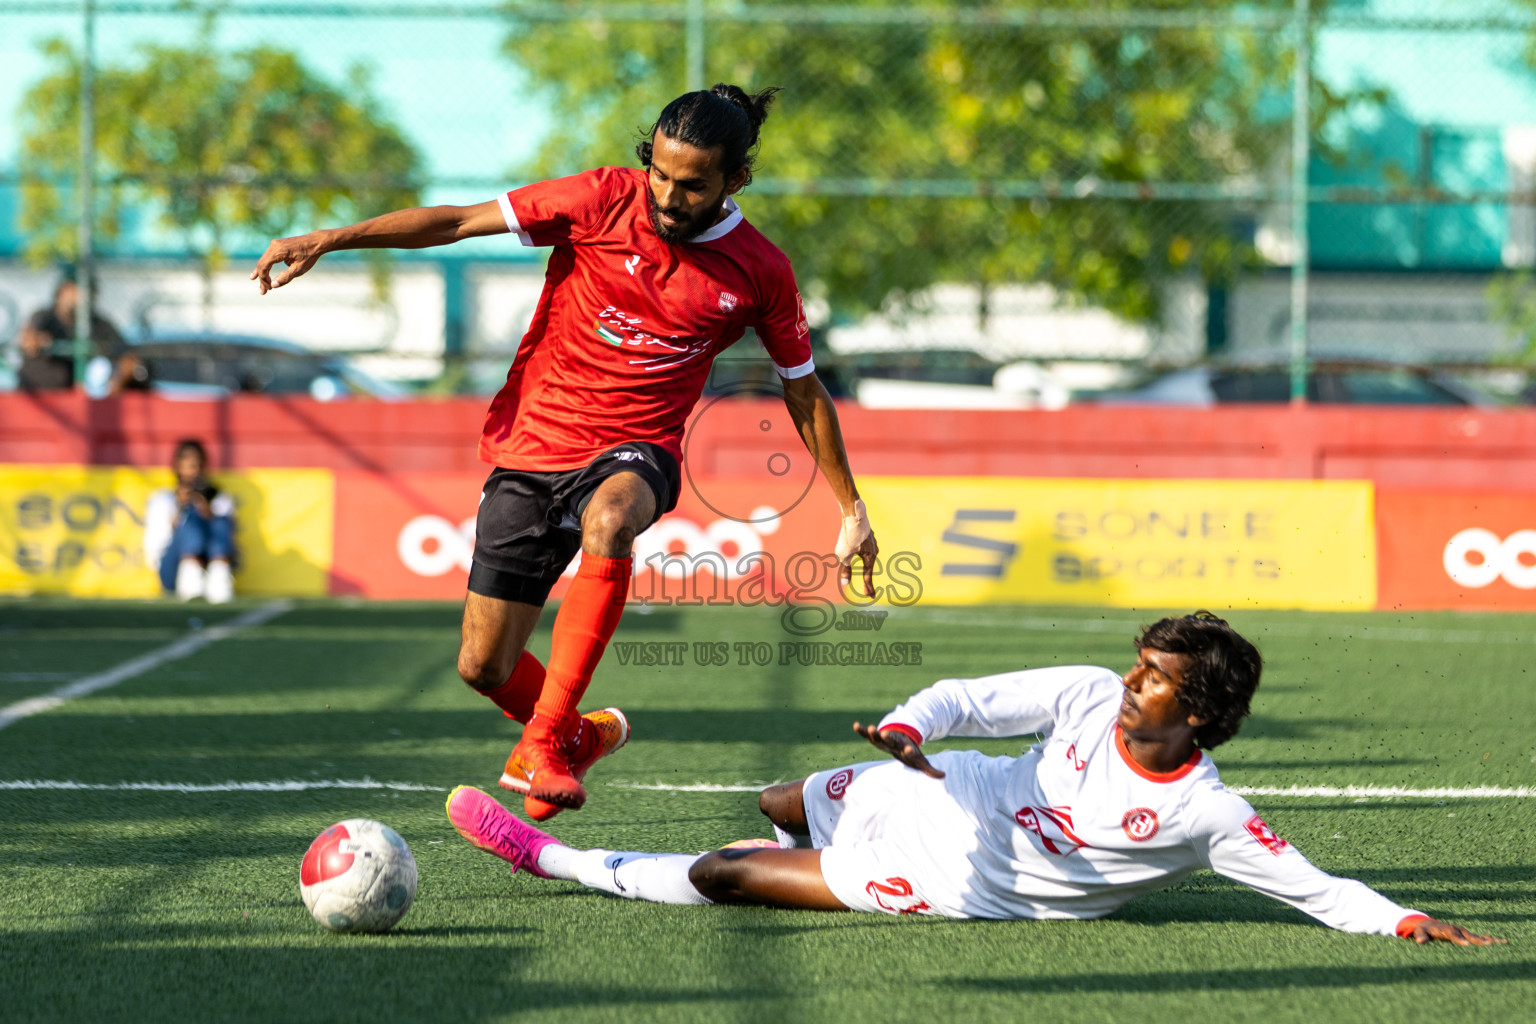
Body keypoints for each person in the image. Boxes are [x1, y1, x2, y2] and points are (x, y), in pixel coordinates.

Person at [251, 85, 879, 820]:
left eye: (694, 185)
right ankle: (580, 735)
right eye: (662, 176)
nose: (670, 198)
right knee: (483, 665)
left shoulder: (759, 270)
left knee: (612, 521)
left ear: (735, 180)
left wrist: (851, 507)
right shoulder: (597, 200)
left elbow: (803, 391)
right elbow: (455, 221)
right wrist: (328, 238)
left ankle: (546, 738)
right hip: (535, 441)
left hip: (637, 450)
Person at [443, 613, 1502, 946]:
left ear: (1206, 714)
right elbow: (964, 698)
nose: (1135, 685)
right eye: (1140, 667)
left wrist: (1404, 919)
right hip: (944, 787)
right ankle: (623, 748)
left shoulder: (1206, 811)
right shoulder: (1092, 691)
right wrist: (906, 730)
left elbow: (1313, 886)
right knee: (779, 802)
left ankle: (552, 857)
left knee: (731, 870)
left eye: (1161, 683)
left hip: (962, 883)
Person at [142, 439, 237, 603]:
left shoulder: (218, 497)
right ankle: (190, 572)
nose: (193, 471)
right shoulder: (163, 498)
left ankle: (218, 576)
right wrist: (180, 508)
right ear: (178, 466)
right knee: (191, 517)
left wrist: (206, 510)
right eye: (188, 464)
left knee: (219, 520)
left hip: (209, 562)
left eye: (197, 464)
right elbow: (156, 542)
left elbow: (228, 536)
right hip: (173, 567)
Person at [15, 277, 141, 393]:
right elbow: (27, 338)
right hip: (38, 398)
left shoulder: (99, 324)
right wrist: (36, 340)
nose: (78, 296)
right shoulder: (44, 317)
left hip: (82, 401)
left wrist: (115, 385)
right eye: (73, 290)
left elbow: (128, 357)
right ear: (61, 292)